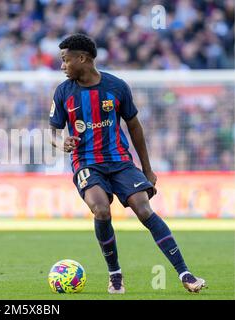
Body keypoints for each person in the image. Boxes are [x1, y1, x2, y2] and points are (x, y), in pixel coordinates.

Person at [49, 34, 205, 294]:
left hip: (120, 161)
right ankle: (115, 274)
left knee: (144, 209)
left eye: (65, 60)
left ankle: (185, 273)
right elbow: (53, 132)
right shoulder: (64, 92)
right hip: (87, 162)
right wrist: (61, 142)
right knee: (101, 209)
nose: (62, 66)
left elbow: (134, 126)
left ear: (82, 58)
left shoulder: (116, 87)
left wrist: (147, 168)